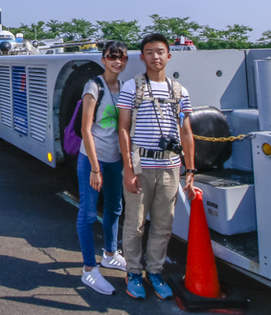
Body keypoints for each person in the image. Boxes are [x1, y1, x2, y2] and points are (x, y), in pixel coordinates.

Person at [117, 33, 197, 300]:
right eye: (150, 52)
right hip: (141, 165)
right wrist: (129, 169)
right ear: (142, 57)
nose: (155, 57)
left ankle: (154, 272)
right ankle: (133, 273)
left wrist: (190, 169)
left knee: (163, 225)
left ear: (169, 56)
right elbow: (123, 128)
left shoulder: (180, 91)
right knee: (135, 224)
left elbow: (186, 132)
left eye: (160, 52)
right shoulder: (132, 87)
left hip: (170, 166)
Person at [77, 41, 128, 295]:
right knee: (87, 214)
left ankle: (110, 253)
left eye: (121, 57)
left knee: (115, 208)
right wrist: (95, 168)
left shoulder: (124, 87)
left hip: (114, 159)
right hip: (92, 160)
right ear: (103, 59)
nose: (117, 61)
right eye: (112, 56)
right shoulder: (93, 86)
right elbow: (85, 129)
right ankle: (89, 269)